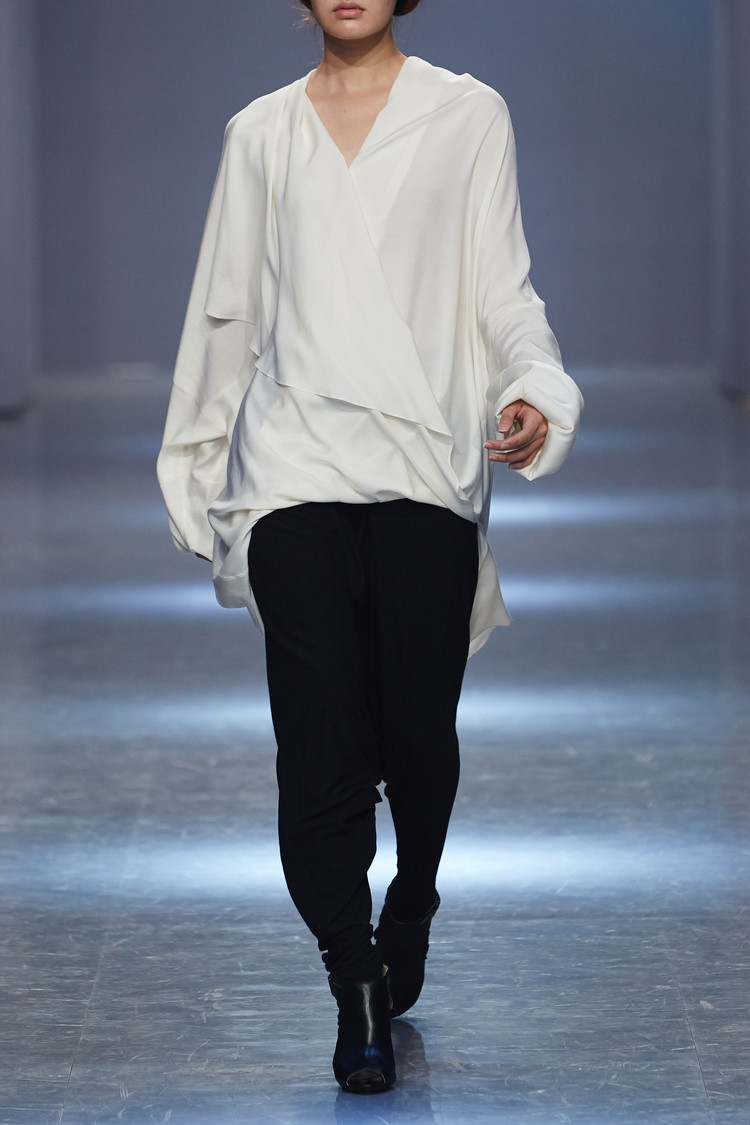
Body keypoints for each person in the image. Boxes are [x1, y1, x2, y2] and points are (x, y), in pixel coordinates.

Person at [157, 0, 583, 1096]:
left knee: (416, 737)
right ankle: (353, 977)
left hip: (426, 468)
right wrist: (196, 471)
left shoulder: (467, 114)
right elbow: (224, 314)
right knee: (319, 741)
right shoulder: (261, 133)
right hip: (293, 472)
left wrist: (533, 388)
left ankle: (414, 898)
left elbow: (502, 289)